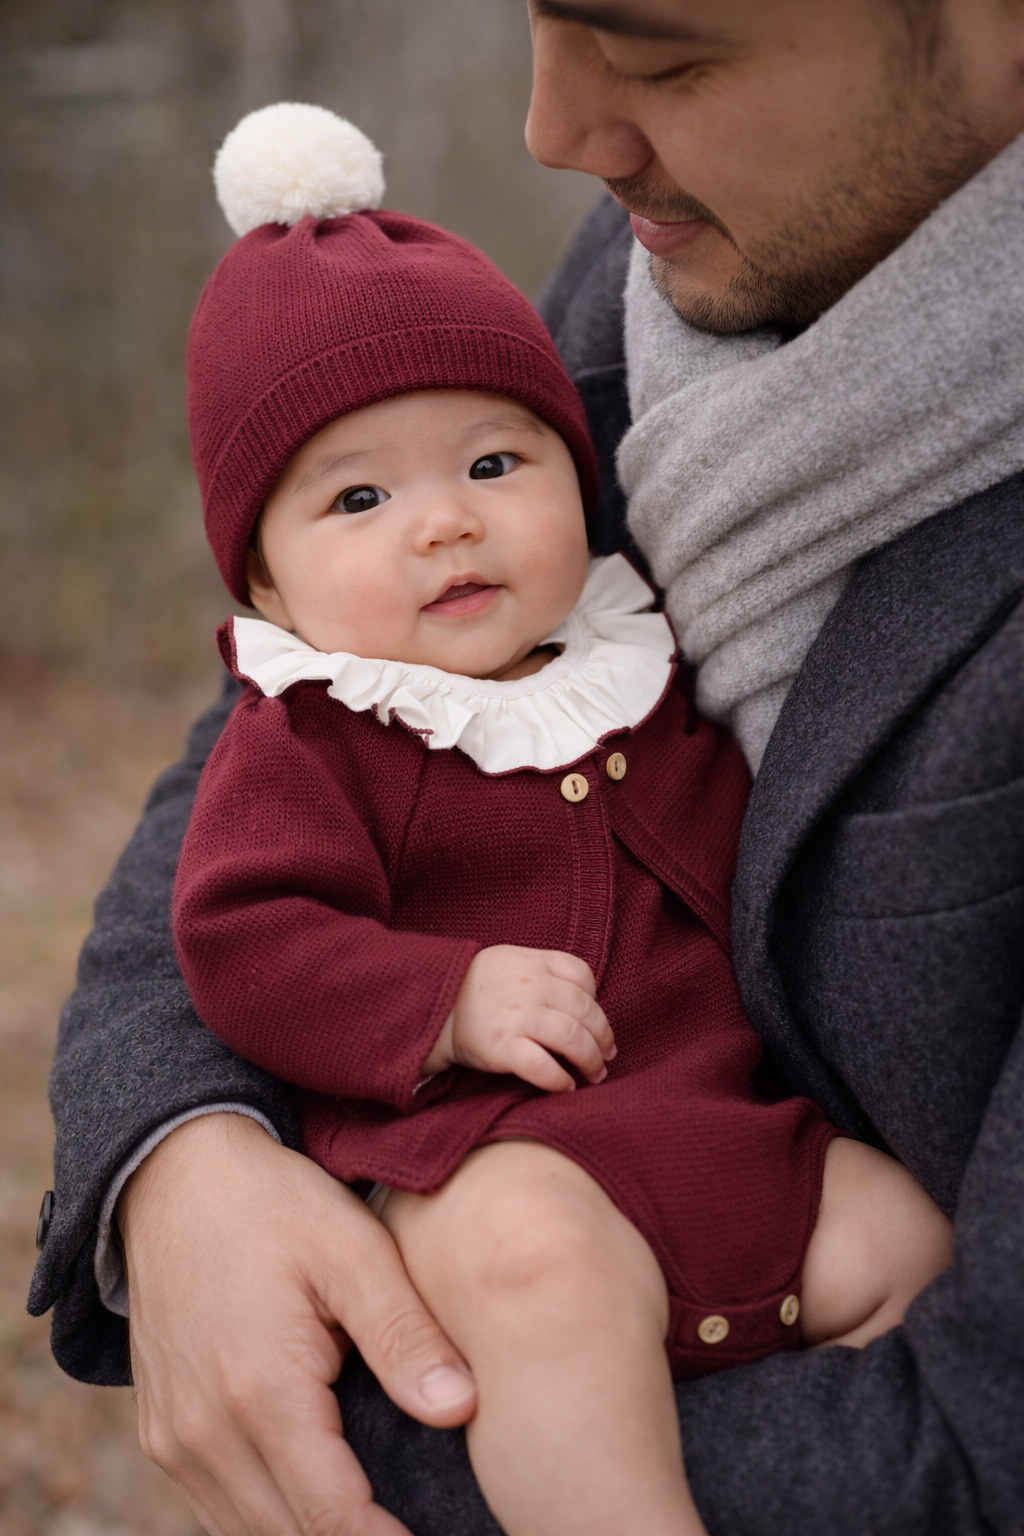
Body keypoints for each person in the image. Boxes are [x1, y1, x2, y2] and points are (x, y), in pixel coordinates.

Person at [29, 4, 1024, 1535]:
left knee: (898, 1241)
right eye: (360, 501)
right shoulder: (664, 260)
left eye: (667, 54)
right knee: (535, 1266)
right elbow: (237, 897)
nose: (555, 132)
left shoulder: (608, 648)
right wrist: (184, 1159)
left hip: (734, 1141)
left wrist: (357, 1412)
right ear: (270, 594)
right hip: (500, 1149)